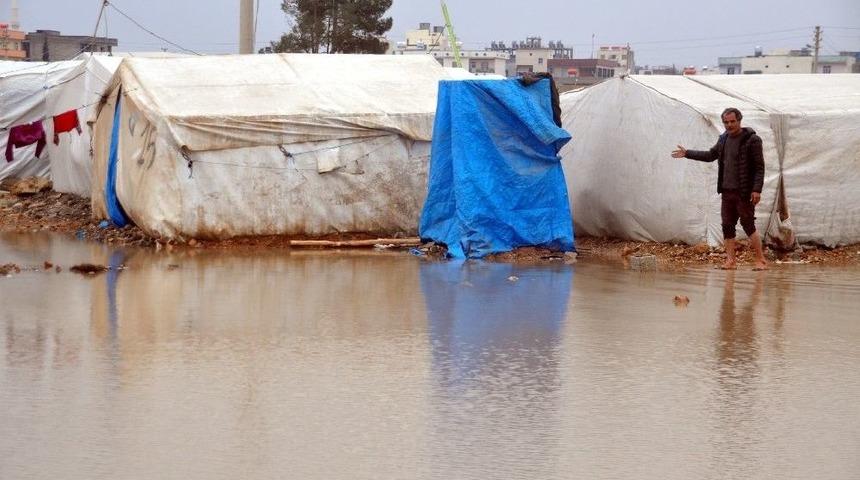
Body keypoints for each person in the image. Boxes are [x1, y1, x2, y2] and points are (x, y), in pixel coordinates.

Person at [671, 108, 767, 270]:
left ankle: (761, 260)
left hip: (744, 192)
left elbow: (759, 167)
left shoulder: (752, 140)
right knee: (727, 225)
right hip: (727, 191)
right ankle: (731, 261)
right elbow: (710, 155)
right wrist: (687, 153)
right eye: (726, 122)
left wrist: (756, 189)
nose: (729, 125)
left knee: (748, 225)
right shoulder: (723, 140)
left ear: (739, 121)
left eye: (732, 121)